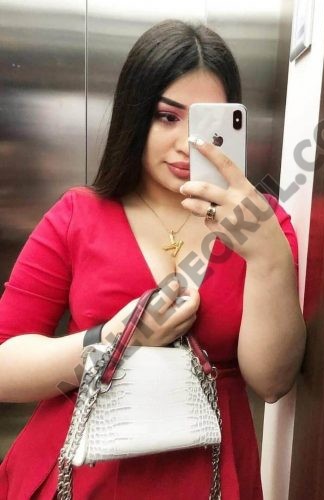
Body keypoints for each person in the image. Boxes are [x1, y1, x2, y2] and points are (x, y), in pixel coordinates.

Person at [0, 19, 306, 500]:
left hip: (209, 478)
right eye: (167, 117)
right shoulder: (78, 215)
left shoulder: (262, 223)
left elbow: (271, 382)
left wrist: (268, 255)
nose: (187, 143)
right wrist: (113, 339)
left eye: (204, 123)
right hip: (81, 474)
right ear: (135, 115)